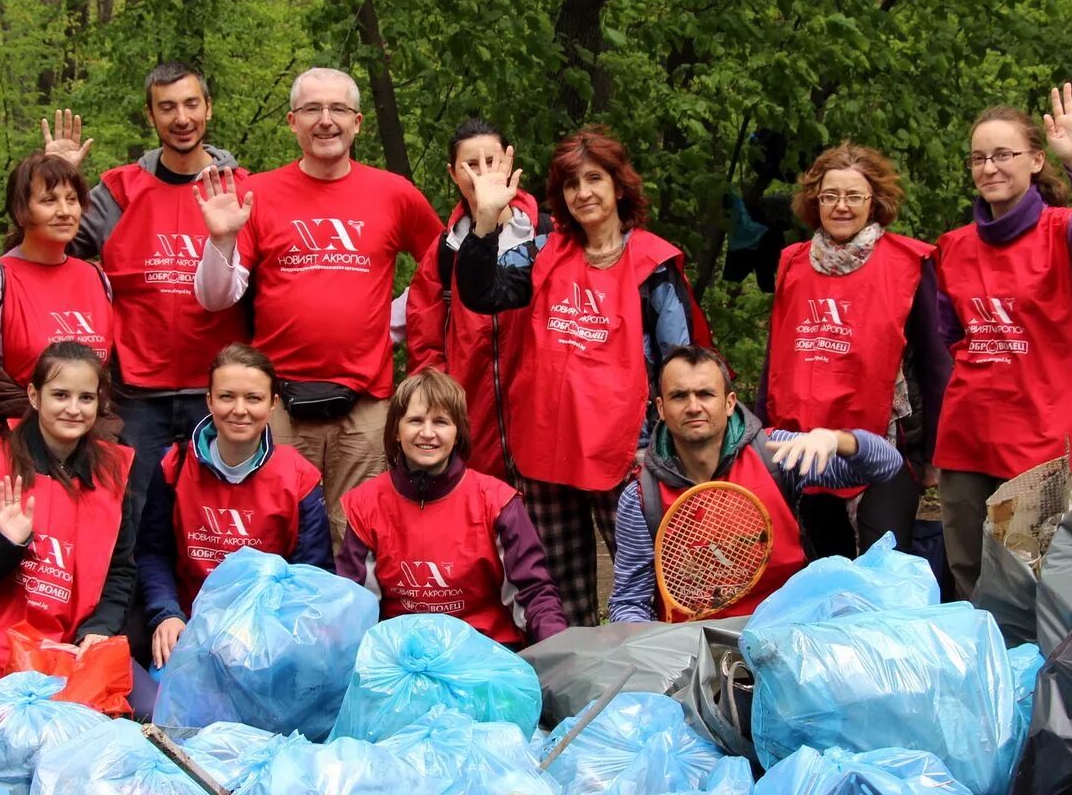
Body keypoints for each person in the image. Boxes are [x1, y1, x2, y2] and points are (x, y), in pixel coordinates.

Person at [453, 129, 714, 627]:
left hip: (628, 454)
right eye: (572, 183)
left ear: (619, 186)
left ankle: (667, 688)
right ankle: (574, 694)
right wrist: (485, 220)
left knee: (652, 587)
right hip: (547, 451)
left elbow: (681, 363)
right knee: (557, 599)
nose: (583, 193)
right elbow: (481, 293)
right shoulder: (544, 252)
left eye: (595, 179)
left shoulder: (653, 266)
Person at [191, 66, 443, 543]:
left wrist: (395, 317)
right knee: (274, 534)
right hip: (279, 404)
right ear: (292, 121)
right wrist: (221, 240)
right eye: (312, 109)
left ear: (357, 123)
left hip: (365, 408)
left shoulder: (394, 193)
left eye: (338, 110)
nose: (325, 121)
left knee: (360, 537)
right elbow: (215, 296)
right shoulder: (256, 194)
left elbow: (440, 272)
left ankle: (355, 621)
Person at [934, 84, 1072, 600]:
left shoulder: (1064, 234)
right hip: (967, 435)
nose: (990, 167)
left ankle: (1033, 678)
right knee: (969, 575)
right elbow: (953, 334)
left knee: (1030, 577)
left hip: (1038, 436)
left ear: (1036, 160)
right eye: (979, 158)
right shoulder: (952, 247)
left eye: (1003, 154)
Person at [64, 63, 251, 500]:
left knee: (217, 512)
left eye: (190, 104)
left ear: (209, 109)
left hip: (220, 390)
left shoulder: (244, 189)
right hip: (138, 392)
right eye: (167, 108)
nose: (181, 118)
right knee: (138, 513)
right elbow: (47, 249)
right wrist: (56, 176)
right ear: (151, 116)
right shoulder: (117, 191)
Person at [609, 345, 903, 622]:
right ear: (660, 407)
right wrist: (652, 648)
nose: (693, 406)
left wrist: (836, 439)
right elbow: (629, 602)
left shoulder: (774, 453)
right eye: (679, 396)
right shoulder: (640, 497)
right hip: (692, 648)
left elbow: (887, 465)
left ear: (729, 402)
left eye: (706, 394)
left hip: (787, 630)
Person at [757, 142, 950, 559]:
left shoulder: (909, 264)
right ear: (815, 201)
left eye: (853, 196)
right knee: (824, 561)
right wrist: (758, 434)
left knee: (883, 562)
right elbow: (776, 356)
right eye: (830, 196)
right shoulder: (792, 263)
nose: (841, 207)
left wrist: (936, 452)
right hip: (803, 440)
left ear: (874, 202)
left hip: (888, 443)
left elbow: (936, 365)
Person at [0, 341, 137, 693]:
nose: (73, 409)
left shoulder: (114, 472)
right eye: (60, 395)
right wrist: (5, 545)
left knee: (148, 709)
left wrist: (100, 629)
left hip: (74, 646)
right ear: (34, 395)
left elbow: (120, 570)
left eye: (86, 398)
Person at [134, 343, 331, 671]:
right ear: (209, 400)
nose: (239, 409)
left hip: (268, 635)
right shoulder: (175, 465)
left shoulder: (299, 477)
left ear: (272, 405)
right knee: (167, 709)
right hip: (188, 627)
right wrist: (165, 614)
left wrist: (276, 636)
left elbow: (314, 574)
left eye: (253, 398)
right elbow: (154, 553)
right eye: (227, 397)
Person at [338, 370, 567, 647]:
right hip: (400, 658)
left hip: (485, 653)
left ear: (458, 433)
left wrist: (557, 651)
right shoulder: (365, 504)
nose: (427, 433)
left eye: (441, 422)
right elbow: (355, 607)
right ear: (396, 431)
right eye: (415, 420)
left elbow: (533, 593)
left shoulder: (497, 502)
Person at [403, 118, 541, 479]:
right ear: (453, 174)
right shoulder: (444, 251)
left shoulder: (548, 238)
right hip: (470, 421)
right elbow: (424, 341)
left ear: (510, 164)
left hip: (540, 417)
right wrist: (439, 408)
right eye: (470, 165)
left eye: (492, 162)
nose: (483, 174)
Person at [0, 148, 114, 425]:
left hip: (89, 436)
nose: (65, 212)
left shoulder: (96, 277)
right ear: (21, 211)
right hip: (17, 432)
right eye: (49, 200)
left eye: (72, 200)